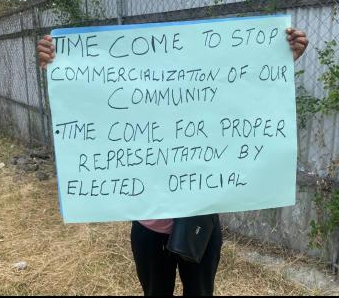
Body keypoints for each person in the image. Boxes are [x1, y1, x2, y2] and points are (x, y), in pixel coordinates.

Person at [37, 26, 308, 296]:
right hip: (148, 228)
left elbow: (243, 93)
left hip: (200, 223)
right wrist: (60, 68)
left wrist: (281, 59)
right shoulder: (133, 106)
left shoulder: (208, 102)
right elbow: (93, 103)